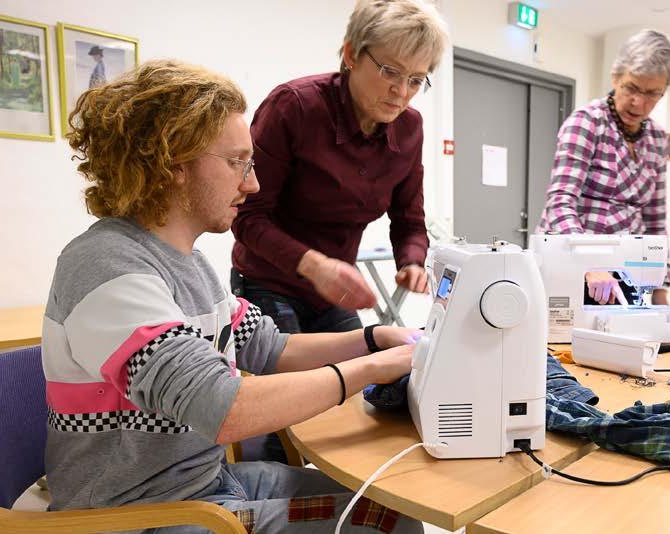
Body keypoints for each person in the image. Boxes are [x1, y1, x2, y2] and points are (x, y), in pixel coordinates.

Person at [44, 60, 423, 534]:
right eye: (236, 162)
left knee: (395, 507)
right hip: (143, 516)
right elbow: (224, 407)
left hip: (205, 484)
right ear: (173, 163)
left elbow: (269, 347)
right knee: (391, 526)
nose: (253, 183)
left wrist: (374, 338)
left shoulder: (189, 263)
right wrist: (370, 369)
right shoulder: (107, 267)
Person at [232, 0, 449, 334]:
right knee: (297, 384)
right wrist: (315, 266)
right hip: (268, 282)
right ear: (351, 54)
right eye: (390, 71)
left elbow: (409, 220)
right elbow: (247, 216)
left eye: (416, 80)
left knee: (360, 375)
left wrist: (412, 261)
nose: (402, 92)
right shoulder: (295, 107)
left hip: (332, 292)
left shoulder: (409, 129)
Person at [537, 29, 670, 305]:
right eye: (632, 88)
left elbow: (655, 221)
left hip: (624, 270)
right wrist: (589, 264)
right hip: (571, 262)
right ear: (616, 77)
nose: (639, 102)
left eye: (652, 93)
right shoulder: (587, 123)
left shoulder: (657, 138)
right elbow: (560, 203)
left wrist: (660, 286)